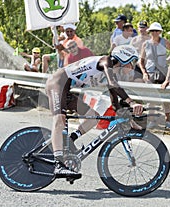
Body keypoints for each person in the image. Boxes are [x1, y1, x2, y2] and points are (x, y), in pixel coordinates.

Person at [45, 45, 143, 179]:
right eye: (131, 63)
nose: (132, 67)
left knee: (95, 117)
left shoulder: (110, 73)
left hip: (66, 88)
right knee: (60, 120)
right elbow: (113, 83)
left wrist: (127, 118)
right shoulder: (106, 62)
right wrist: (131, 102)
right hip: (58, 82)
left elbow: (115, 103)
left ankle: (70, 139)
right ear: (123, 59)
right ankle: (58, 164)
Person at [139, 22, 170, 129]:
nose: (155, 33)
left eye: (157, 31)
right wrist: (144, 73)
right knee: (151, 98)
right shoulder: (146, 44)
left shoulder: (165, 42)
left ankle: (167, 120)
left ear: (160, 32)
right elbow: (141, 61)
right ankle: (152, 120)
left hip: (163, 73)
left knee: (165, 97)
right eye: (153, 31)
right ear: (150, 32)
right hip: (150, 73)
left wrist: (169, 61)